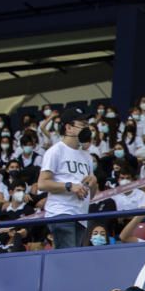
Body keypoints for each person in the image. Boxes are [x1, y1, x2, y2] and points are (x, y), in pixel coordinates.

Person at [37, 106, 99, 249]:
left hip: (81, 216)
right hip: (61, 213)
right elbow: (42, 183)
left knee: (71, 260)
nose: (87, 129)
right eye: (82, 125)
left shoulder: (87, 156)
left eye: (87, 125)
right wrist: (69, 186)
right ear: (69, 128)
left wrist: (94, 183)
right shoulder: (55, 151)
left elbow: (91, 195)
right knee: (67, 258)